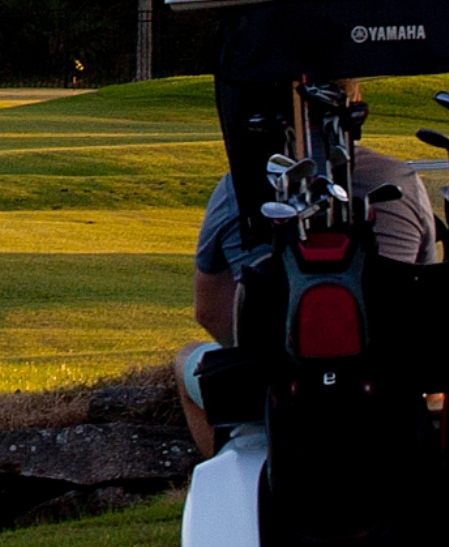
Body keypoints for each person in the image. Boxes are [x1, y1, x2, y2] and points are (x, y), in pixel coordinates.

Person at [174, 74, 433, 453]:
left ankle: (242, 457)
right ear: (353, 105)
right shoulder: (400, 178)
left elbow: (208, 310)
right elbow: (420, 296)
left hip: (277, 382)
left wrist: (262, 347)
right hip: (384, 381)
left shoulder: (238, 186)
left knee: (186, 358)